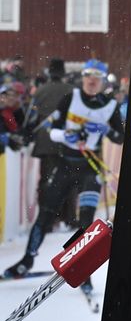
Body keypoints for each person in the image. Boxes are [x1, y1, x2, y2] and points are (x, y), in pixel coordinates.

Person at [3, 59, 124, 293]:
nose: (91, 81)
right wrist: (66, 136)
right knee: (46, 214)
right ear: (83, 77)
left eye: (96, 77)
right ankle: (27, 261)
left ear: (101, 81)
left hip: (90, 168)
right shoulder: (72, 97)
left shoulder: (109, 105)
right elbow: (53, 129)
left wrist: (105, 129)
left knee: (87, 222)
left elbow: (120, 136)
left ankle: (84, 272)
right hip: (66, 163)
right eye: (88, 76)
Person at [21, 58, 76, 225]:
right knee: (69, 180)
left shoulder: (40, 91)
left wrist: (26, 134)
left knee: (46, 181)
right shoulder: (73, 90)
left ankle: (47, 219)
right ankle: (70, 217)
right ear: (63, 72)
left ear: (49, 73)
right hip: (67, 141)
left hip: (46, 141)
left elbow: (30, 119)